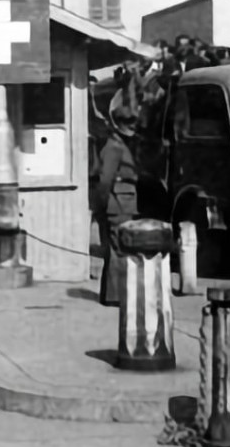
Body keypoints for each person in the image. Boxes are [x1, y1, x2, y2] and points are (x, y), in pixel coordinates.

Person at [92, 106, 140, 307]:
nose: (132, 127)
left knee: (117, 249)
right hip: (117, 204)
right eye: (128, 123)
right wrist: (102, 206)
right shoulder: (114, 147)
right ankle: (116, 296)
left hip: (121, 203)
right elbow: (105, 180)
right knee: (118, 250)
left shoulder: (121, 145)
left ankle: (112, 294)